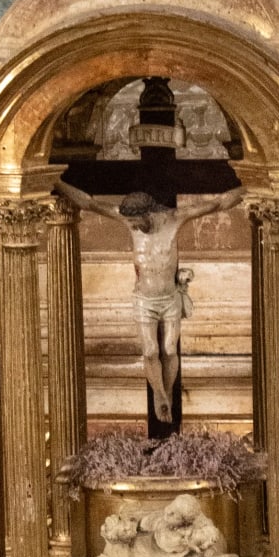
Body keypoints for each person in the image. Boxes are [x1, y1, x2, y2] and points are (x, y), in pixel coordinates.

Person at [56, 179, 244, 421]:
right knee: (150, 350)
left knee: (168, 348)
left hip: (169, 298)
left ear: (148, 213)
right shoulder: (127, 220)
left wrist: (248, 186)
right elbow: (89, 203)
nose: (135, 227)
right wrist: (57, 183)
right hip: (144, 299)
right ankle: (160, 395)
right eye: (131, 224)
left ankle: (167, 393)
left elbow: (218, 203)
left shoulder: (174, 219)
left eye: (137, 223)